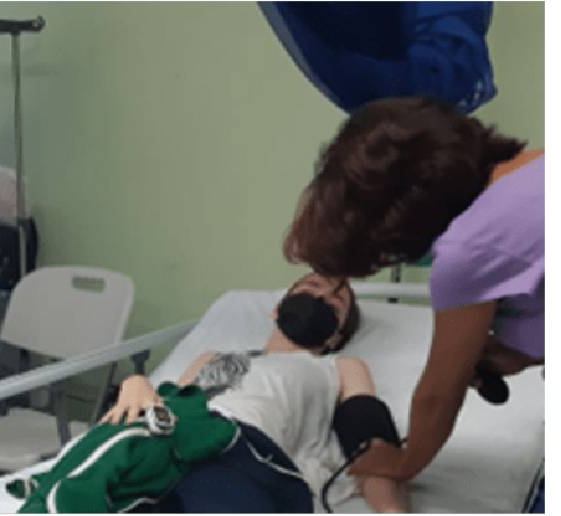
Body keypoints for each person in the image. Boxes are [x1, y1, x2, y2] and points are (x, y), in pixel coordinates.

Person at [282, 96, 544, 481]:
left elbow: (438, 395)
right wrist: (527, 351)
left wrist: (403, 464)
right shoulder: (536, 167)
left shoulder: (469, 248)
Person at [101, 273, 408, 513]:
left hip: (239, 452)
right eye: (312, 286)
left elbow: (371, 443)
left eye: (336, 302)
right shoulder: (211, 357)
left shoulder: (339, 366)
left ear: (336, 336)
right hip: (165, 445)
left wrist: (393, 511)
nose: (320, 297)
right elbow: (172, 407)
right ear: (277, 309)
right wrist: (136, 385)